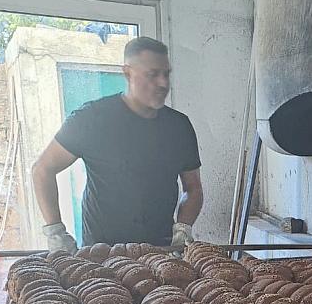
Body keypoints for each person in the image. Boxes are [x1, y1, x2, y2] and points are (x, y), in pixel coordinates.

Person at [32, 36, 203, 252]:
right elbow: (42, 170)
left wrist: (183, 228)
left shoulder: (179, 126)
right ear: (127, 72)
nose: (163, 83)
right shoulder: (92, 118)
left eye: (166, 74)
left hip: (160, 252)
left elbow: (193, 188)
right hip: (101, 254)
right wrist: (55, 231)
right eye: (152, 74)